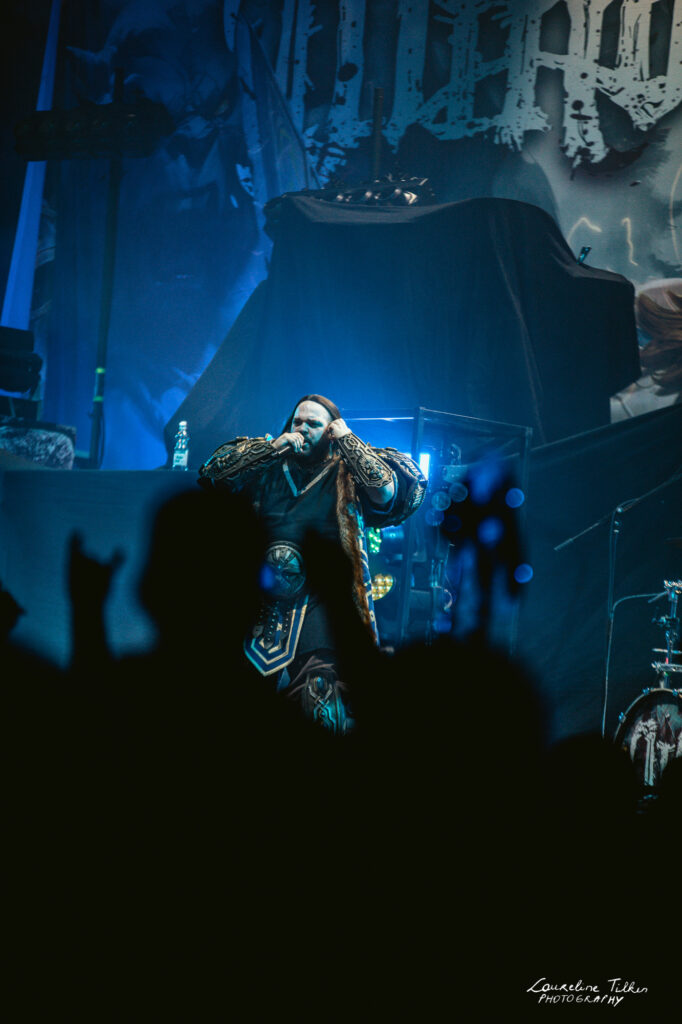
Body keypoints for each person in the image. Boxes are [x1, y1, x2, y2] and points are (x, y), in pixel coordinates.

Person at [198, 394, 426, 732]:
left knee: (319, 697)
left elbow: (385, 491)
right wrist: (271, 448)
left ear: (330, 431)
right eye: (298, 422)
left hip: (321, 600)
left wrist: (347, 438)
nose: (302, 429)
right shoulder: (267, 463)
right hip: (261, 596)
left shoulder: (346, 470)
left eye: (314, 424)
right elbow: (212, 476)